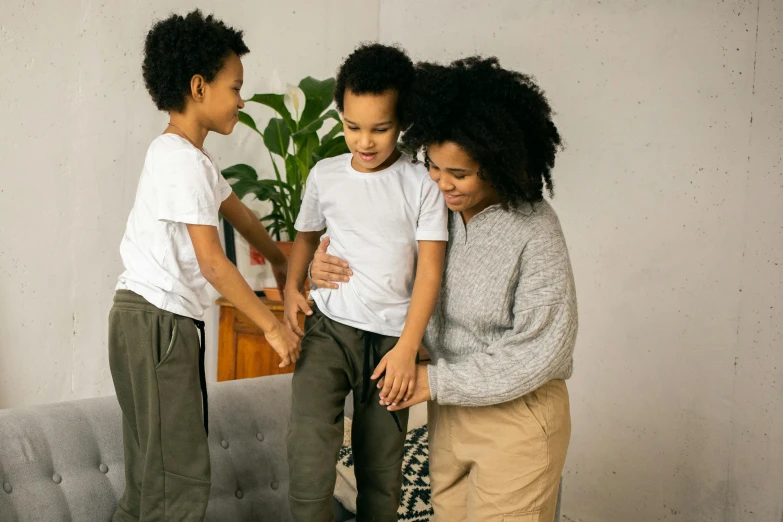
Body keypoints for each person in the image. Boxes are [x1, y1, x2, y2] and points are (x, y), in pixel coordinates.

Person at [310, 56, 577, 522]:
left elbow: (542, 351)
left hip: (517, 420)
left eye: (461, 173)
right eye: (433, 164)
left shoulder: (535, 229)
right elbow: (383, 265)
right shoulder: (434, 209)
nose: (442, 182)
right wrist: (322, 267)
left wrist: (434, 380)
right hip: (447, 413)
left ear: (497, 163)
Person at [108, 10, 299, 521]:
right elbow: (213, 264)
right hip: (161, 324)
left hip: (139, 320)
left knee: (152, 483)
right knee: (179, 484)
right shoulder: (183, 162)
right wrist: (273, 329)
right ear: (198, 86)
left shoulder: (188, 159)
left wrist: (283, 262)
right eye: (235, 87)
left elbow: (240, 216)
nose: (241, 99)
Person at [283, 43, 448, 522]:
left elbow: (430, 272)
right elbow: (304, 236)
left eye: (381, 128)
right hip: (329, 330)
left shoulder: (421, 184)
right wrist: (295, 289)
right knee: (309, 455)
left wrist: (408, 347)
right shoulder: (325, 175)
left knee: (382, 474)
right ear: (340, 116)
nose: (365, 141)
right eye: (353, 126)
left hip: (392, 345)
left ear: (403, 123)